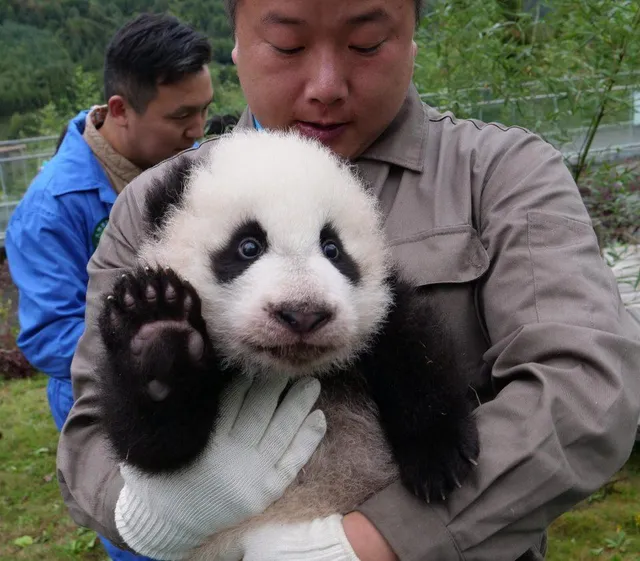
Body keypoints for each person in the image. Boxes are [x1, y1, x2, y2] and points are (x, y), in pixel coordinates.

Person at [56, 0, 640, 560]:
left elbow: (588, 390)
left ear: (412, 37)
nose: (326, 85)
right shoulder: (155, 205)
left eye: (366, 43)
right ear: (235, 41)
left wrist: (375, 543)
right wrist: (155, 512)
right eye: (287, 44)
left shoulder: (500, 175)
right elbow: (86, 439)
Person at [5, 12, 215, 561]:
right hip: (108, 391)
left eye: (206, 110)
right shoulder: (51, 212)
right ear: (120, 110)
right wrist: (154, 348)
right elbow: (50, 335)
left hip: (191, 375)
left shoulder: (185, 165)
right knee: (147, 532)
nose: (199, 131)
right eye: (182, 116)